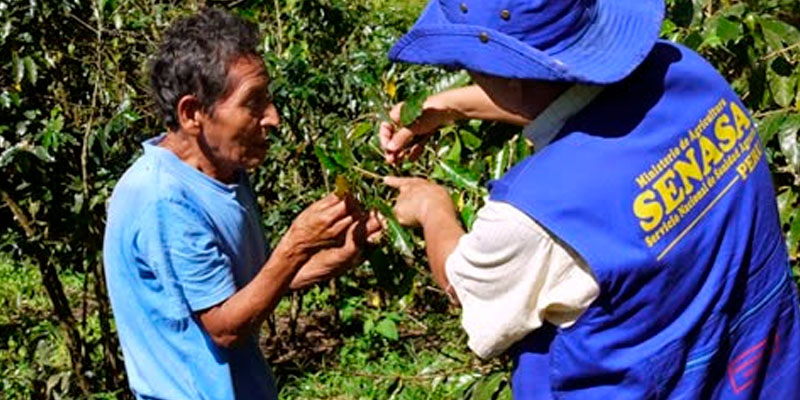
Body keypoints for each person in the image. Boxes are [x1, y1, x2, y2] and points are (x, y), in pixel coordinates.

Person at [379, 0, 800, 398]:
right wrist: (451, 106)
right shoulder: (690, 75)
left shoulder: (538, 214)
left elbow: (464, 285)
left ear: (505, 73)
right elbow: (579, 100)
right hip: (767, 375)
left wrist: (432, 208)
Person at [103, 9, 380, 399]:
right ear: (192, 113)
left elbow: (251, 286)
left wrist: (339, 253)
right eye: (253, 103)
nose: (274, 119)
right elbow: (225, 327)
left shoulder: (225, 171)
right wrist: (297, 243)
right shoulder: (163, 199)